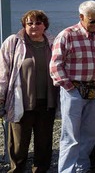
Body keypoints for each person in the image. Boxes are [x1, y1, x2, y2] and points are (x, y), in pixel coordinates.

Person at [50, 0, 95, 173]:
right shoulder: (67, 35)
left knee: (89, 135)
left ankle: (82, 168)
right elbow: (55, 66)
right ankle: (67, 170)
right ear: (81, 17)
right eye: (92, 21)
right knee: (71, 136)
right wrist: (70, 88)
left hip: (94, 90)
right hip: (73, 90)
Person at [0, 10, 57, 173]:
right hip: (20, 104)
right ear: (24, 25)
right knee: (18, 146)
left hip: (47, 104)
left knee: (44, 144)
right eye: (29, 23)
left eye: (38, 23)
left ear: (45, 25)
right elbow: (2, 72)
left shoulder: (53, 43)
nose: (34, 26)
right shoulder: (14, 42)